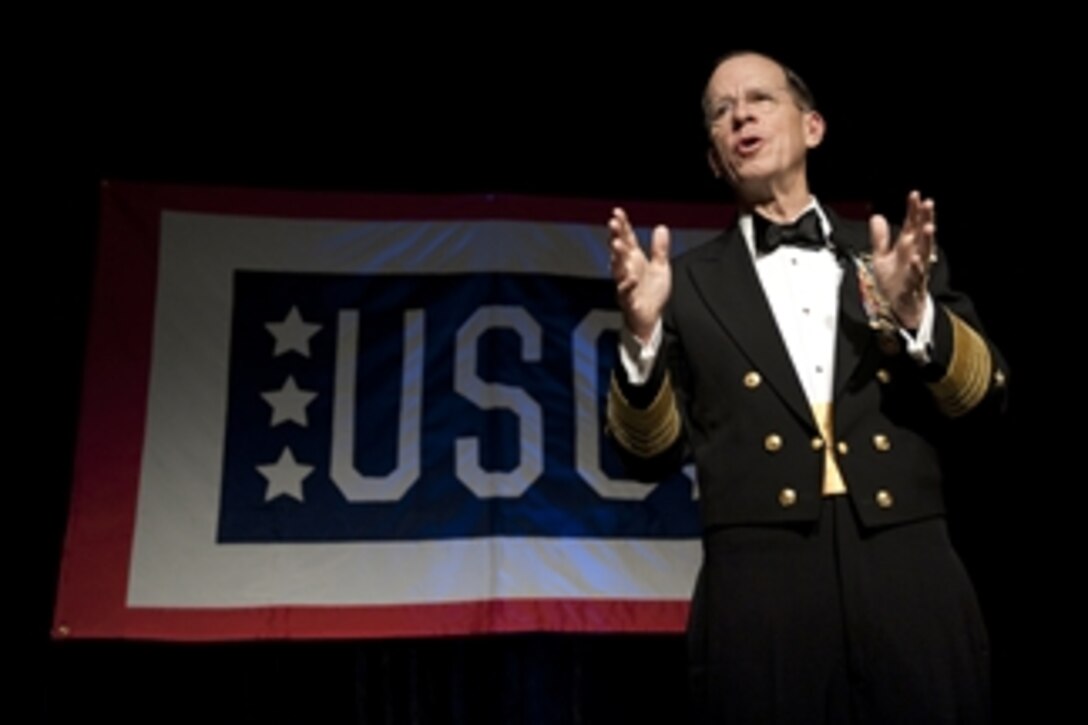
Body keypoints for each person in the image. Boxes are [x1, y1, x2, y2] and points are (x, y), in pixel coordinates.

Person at [605, 51, 1007, 724]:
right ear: (714, 158)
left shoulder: (893, 254)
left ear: (812, 127)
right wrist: (643, 335)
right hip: (760, 583)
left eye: (759, 98)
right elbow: (644, 455)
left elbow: (984, 396)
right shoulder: (685, 285)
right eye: (720, 112)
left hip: (909, 567)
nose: (740, 115)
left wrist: (916, 316)